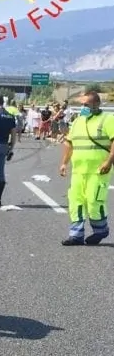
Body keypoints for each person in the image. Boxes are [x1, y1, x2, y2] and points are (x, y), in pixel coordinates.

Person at [59, 91, 114, 246]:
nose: (83, 108)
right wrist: (64, 163)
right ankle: (76, 235)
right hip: (78, 171)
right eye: (81, 104)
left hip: (98, 171)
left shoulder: (108, 120)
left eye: (86, 105)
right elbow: (69, 143)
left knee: (94, 201)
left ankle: (101, 230)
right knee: (76, 201)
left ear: (96, 104)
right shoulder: (78, 121)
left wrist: (109, 162)